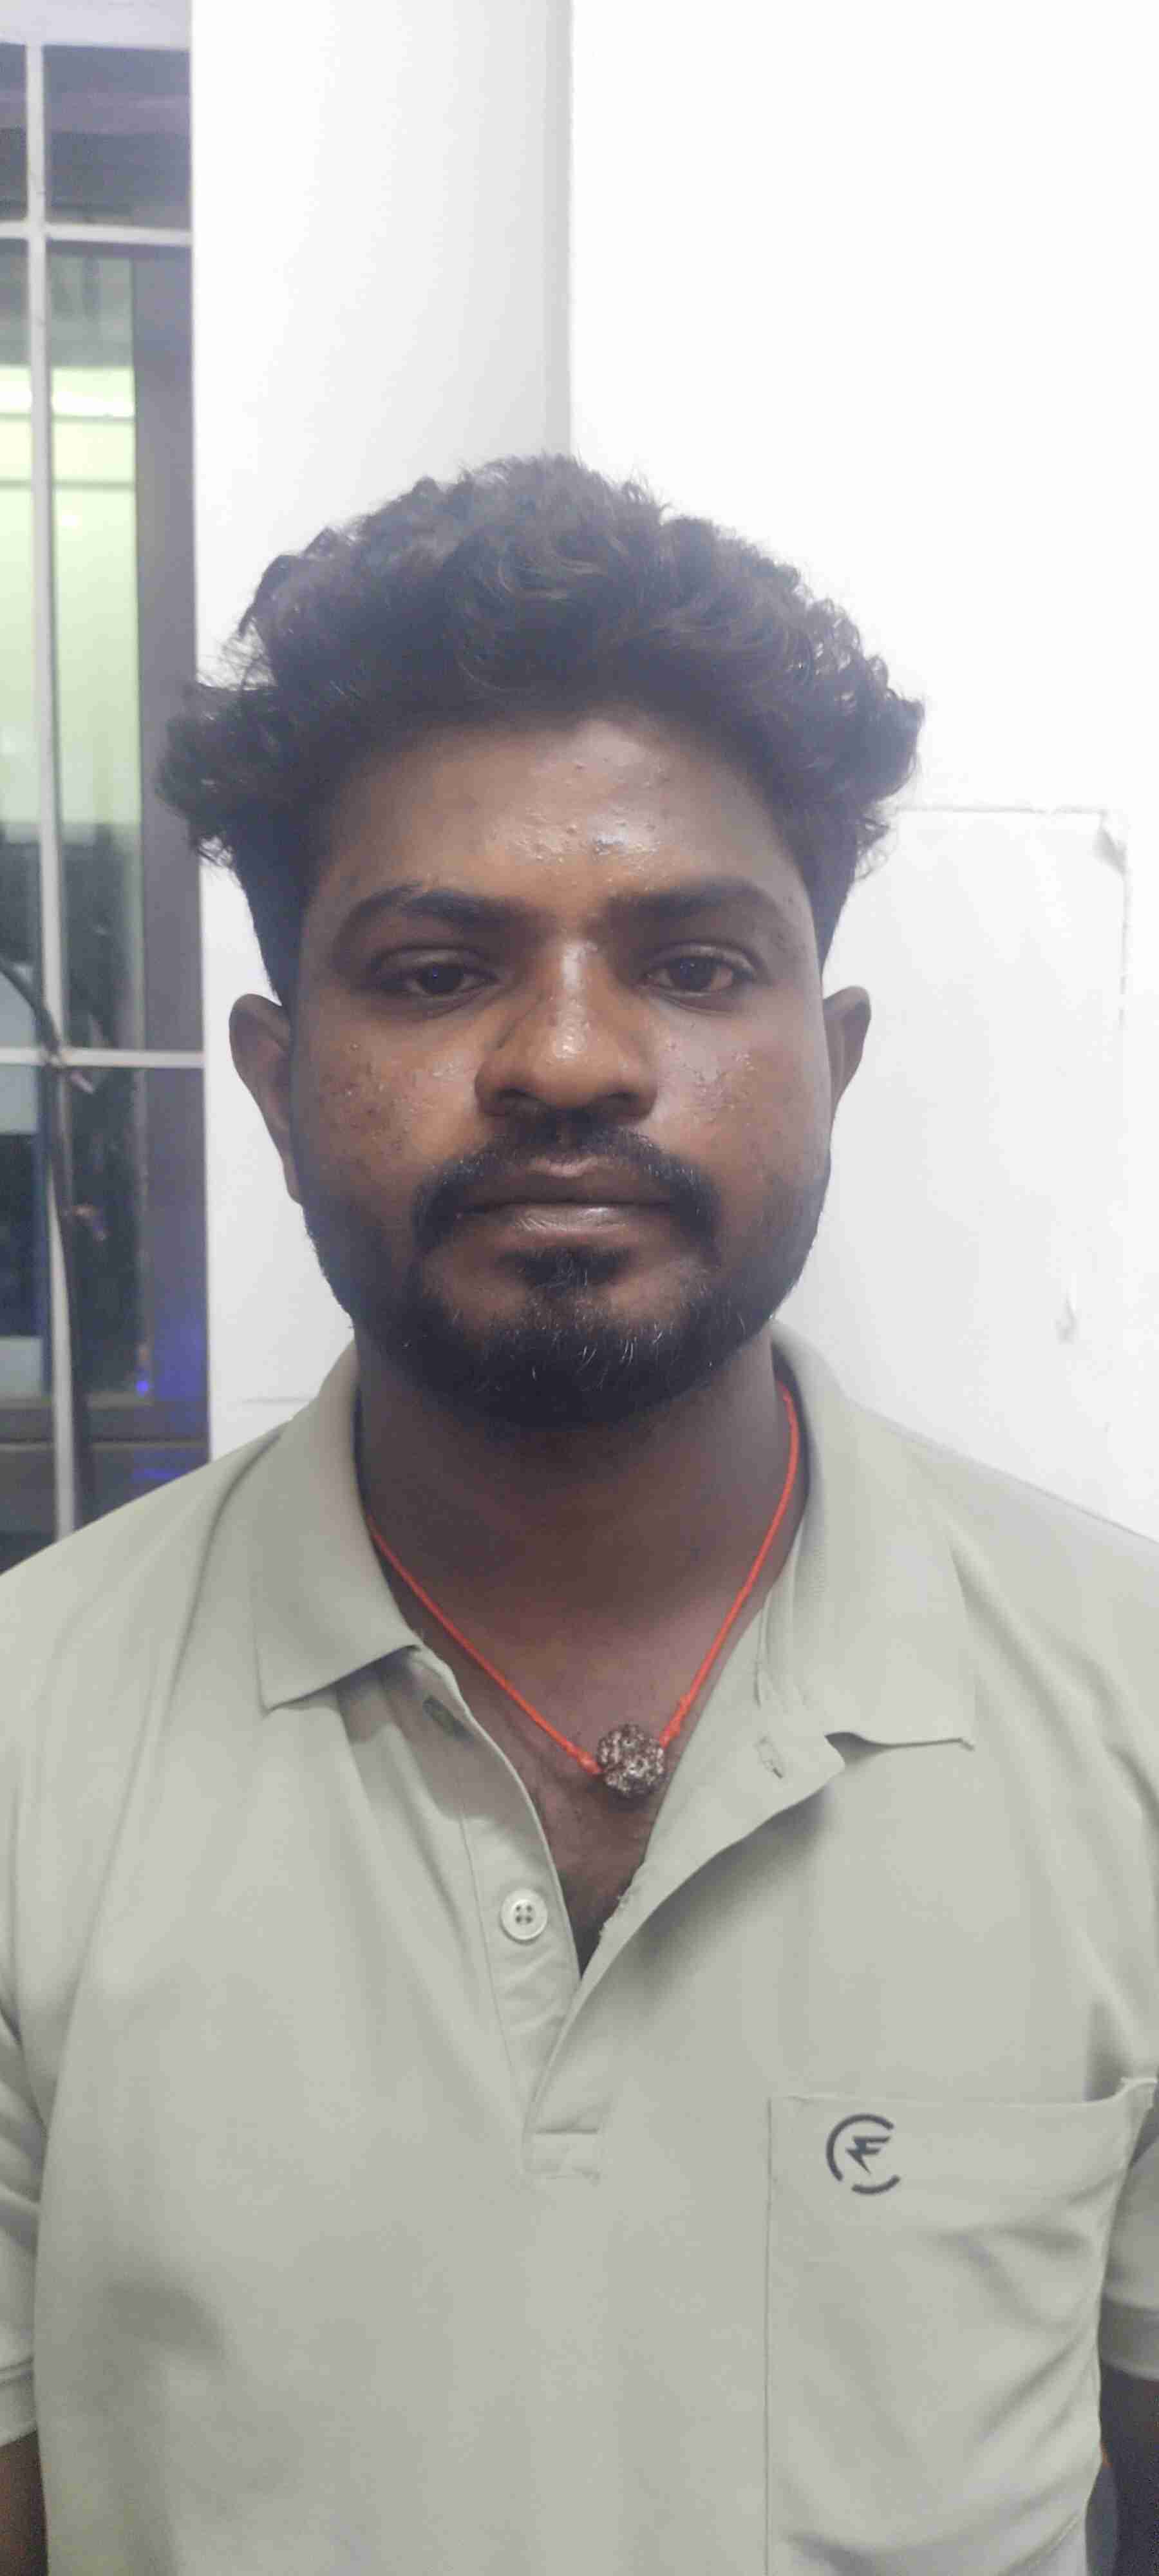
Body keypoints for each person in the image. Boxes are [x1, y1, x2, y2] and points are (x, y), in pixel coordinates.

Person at [0, 457, 1154, 2575]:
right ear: (272, 1078)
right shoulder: (22, 1739)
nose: (565, 1062)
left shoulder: (1130, 1705)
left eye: (692, 966)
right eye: (436, 969)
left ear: (834, 1057)